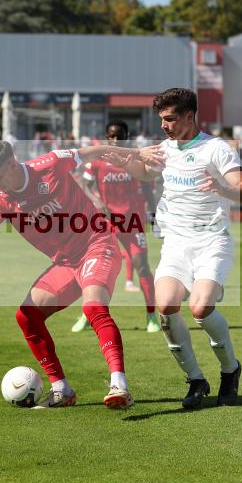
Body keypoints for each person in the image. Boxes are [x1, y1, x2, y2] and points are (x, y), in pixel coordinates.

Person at [0, 140, 160, 409]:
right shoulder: (1, 199)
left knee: (93, 307)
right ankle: (62, 389)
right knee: (27, 317)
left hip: (98, 243)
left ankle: (119, 385)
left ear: (11, 164)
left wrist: (137, 153)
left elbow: (95, 151)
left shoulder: (50, 164)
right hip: (67, 263)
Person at [120, 88, 242, 410]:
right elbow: (144, 172)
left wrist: (224, 188)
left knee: (199, 308)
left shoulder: (217, 149)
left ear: (188, 116)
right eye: (161, 119)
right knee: (166, 307)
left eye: (170, 119)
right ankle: (196, 380)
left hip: (212, 241)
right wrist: (128, 161)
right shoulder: (164, 150)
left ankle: (230, 369)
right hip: (176, 243)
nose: (164, 126)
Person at [71, 121, 160, 334]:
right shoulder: (97, 162)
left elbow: (148, 190)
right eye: (111, 136)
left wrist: (155, 216)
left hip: (133, 222)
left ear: (127, 136)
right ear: (106, 137)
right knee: (95, 270)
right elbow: (83, 184)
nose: (114, 140)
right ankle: (87, 314)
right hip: (107, 223)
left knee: (142, 266)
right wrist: (97, 202)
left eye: (119, 136)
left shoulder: (137, 161)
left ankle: (151, 317)